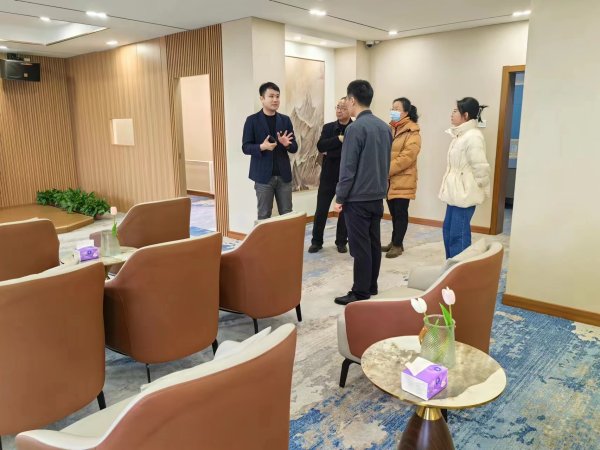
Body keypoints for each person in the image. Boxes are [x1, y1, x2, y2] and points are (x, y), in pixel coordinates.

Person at [333, 80, 392, 305]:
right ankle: (371, 285)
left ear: (352, 100)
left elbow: (347, 168)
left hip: (357, 198)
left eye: (346, 101)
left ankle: (360, 292)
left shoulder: (355, 129)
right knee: (373, 243)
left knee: (360, 247)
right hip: (377, 196)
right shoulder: (384, 127)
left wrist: (340, 197)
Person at [439, 97, 490, 258]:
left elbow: (480, 166)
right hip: (455, 192)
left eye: (455, 111)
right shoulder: (460, 135)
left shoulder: (473, 136)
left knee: (458, 235)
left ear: (465, 115)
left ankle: (460, 269)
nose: (452, 114)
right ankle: (451, 265)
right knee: (448, 231)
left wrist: (480, 187)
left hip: (465, 192)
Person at [242, 82, 298, 220]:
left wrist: (287, 145)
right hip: (263, 177)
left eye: (277, 96)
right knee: (264, 215)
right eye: (271, 96)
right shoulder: (252, 120)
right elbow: (245, 147)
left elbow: (294, 147)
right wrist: (262, 147)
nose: (275, 100)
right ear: (262, 98)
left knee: (287, 214)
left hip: (284, 176)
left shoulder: (285, 120)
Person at [308, 97, 352, 254]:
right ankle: (316, 241)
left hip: (346, 176)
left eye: (343, 107)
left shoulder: (355, 128)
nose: (339, 110)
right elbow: (321, 146)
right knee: (321, 210)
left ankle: (341, 241)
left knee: (345, 211)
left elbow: (351, 153)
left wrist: (331, 151)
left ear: (351, 109)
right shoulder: (328, 127)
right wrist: (338, 139)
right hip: (328, 175)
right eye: (338, 107)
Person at [382, 97, 422, 258]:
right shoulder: (390, 128)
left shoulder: (413, 131)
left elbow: (408, 157)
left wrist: (386, 170)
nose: (393, 111)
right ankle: (395, 241)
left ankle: (397, 245)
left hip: (403, 179)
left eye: (397, 108)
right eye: (392, 108)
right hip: (389, 180)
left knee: (400, 214)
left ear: (406, 112)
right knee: (394, 213)